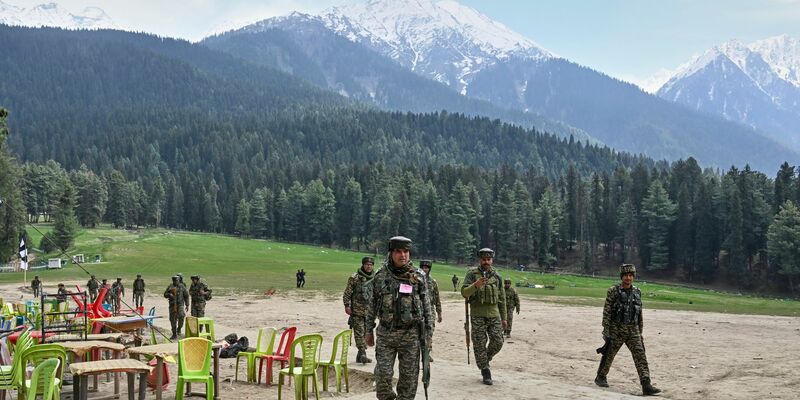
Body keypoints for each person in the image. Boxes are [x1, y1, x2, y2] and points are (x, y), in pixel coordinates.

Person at [365, 236, 432, 400]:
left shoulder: (419, 276)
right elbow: (372, 305)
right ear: (391, 253)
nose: (403, 255)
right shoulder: (380, 276)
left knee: (408, 381)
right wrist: (368, 331)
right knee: (382, 377)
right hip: (386, 334)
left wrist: (429, 335)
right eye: (398, 251)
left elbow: (427, 308)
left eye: (406, 251)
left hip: (411, 336)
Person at [595, 264, 661, 395]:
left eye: (631, 275)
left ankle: (646, 384)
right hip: (616, 329)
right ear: (621, 277)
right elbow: (607, 312)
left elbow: (639, 313)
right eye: (626, 275)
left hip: (633, 330)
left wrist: (640, 332)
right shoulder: (613, 291)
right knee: (609, 354)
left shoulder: (637, 292)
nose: (628, 278)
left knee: (640, 355)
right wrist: (606, 331)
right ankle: (601, 377)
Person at [461, 248, 506, 385]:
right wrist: (476, 285)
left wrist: (504, 318)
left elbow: (502, 298)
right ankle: (485, 370)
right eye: (483, 259)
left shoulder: (497, 276)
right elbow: (464, 293)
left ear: (492, 260)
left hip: (494, 314)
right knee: (479, 344)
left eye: (488, 259)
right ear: (479, 260)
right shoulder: (471, 274)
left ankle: (485, 358)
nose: (486, 262)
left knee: (498, 341)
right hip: (477, 315)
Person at [343, 256, 376, 364]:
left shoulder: (375, 278)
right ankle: (362, 353)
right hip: (357, 311)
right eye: (367, 264)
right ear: (363, 265)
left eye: (371, 265)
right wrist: (347, 306)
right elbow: (347, 293)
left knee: (366, 333)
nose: (369, 267)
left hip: (370, 312)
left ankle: (359, 355)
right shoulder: (355, 277)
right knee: (359, 332)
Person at [420, 260, 442, 362]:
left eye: (426, 268)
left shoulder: (433, 282)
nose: (425, 270)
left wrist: (439, 313)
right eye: (423, 268)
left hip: (430, 311)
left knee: (429, 332)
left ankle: (427, 353)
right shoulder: (416, 281)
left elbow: (437, 299)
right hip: (419, 310)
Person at [164, 275, 189, 339]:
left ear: (179, 280)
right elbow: (165, 294)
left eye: (177, 281)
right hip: (172, 305)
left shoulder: (182, 286)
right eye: (174, 281)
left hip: (180, 304)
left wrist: (187, 305)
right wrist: (169, 294)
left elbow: (186, 295)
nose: (175, 282)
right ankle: (174, 334)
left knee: (181, 315)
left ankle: (179, 328)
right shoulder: (170, 286)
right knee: (172, 319)